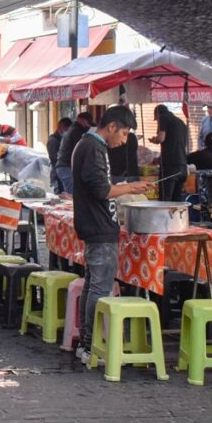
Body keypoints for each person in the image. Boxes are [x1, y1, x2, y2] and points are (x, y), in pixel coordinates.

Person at [71, 106, 152, 365]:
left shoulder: (89, 146)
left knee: (93, 284)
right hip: (98, 226)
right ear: (113, 126)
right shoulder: (93, 148)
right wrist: (131, 187)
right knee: (99, 287)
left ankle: (86, 344)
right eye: (125, 134)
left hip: (96, 225)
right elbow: (100, 190)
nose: (124, 140)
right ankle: (90, 347)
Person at [149, 104, 188, 202]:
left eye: (156, 119)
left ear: (157, 114)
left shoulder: (163, 117)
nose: (157, 121)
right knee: (177, 200)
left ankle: (164, 218)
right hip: (183, 167)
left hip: (170, 167)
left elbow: (161, 138)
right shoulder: (181, 122)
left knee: (165, 200)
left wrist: (154, 140)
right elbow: (178, 144)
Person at [55, 112, 94, 194]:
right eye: (87, 123)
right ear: (80, 120)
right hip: (66, 167)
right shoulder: (76, 131)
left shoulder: (73, 129)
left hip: (64, 167)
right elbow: (80, 151)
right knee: (73, 195)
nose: (88, 126)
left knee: (72, 194)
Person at [47, 118, 72, 192]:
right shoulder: (53, 140)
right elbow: (54, 158)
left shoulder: (63, 139)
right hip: (57, 176)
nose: (67, 132)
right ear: (60, 127)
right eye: (66, 129)